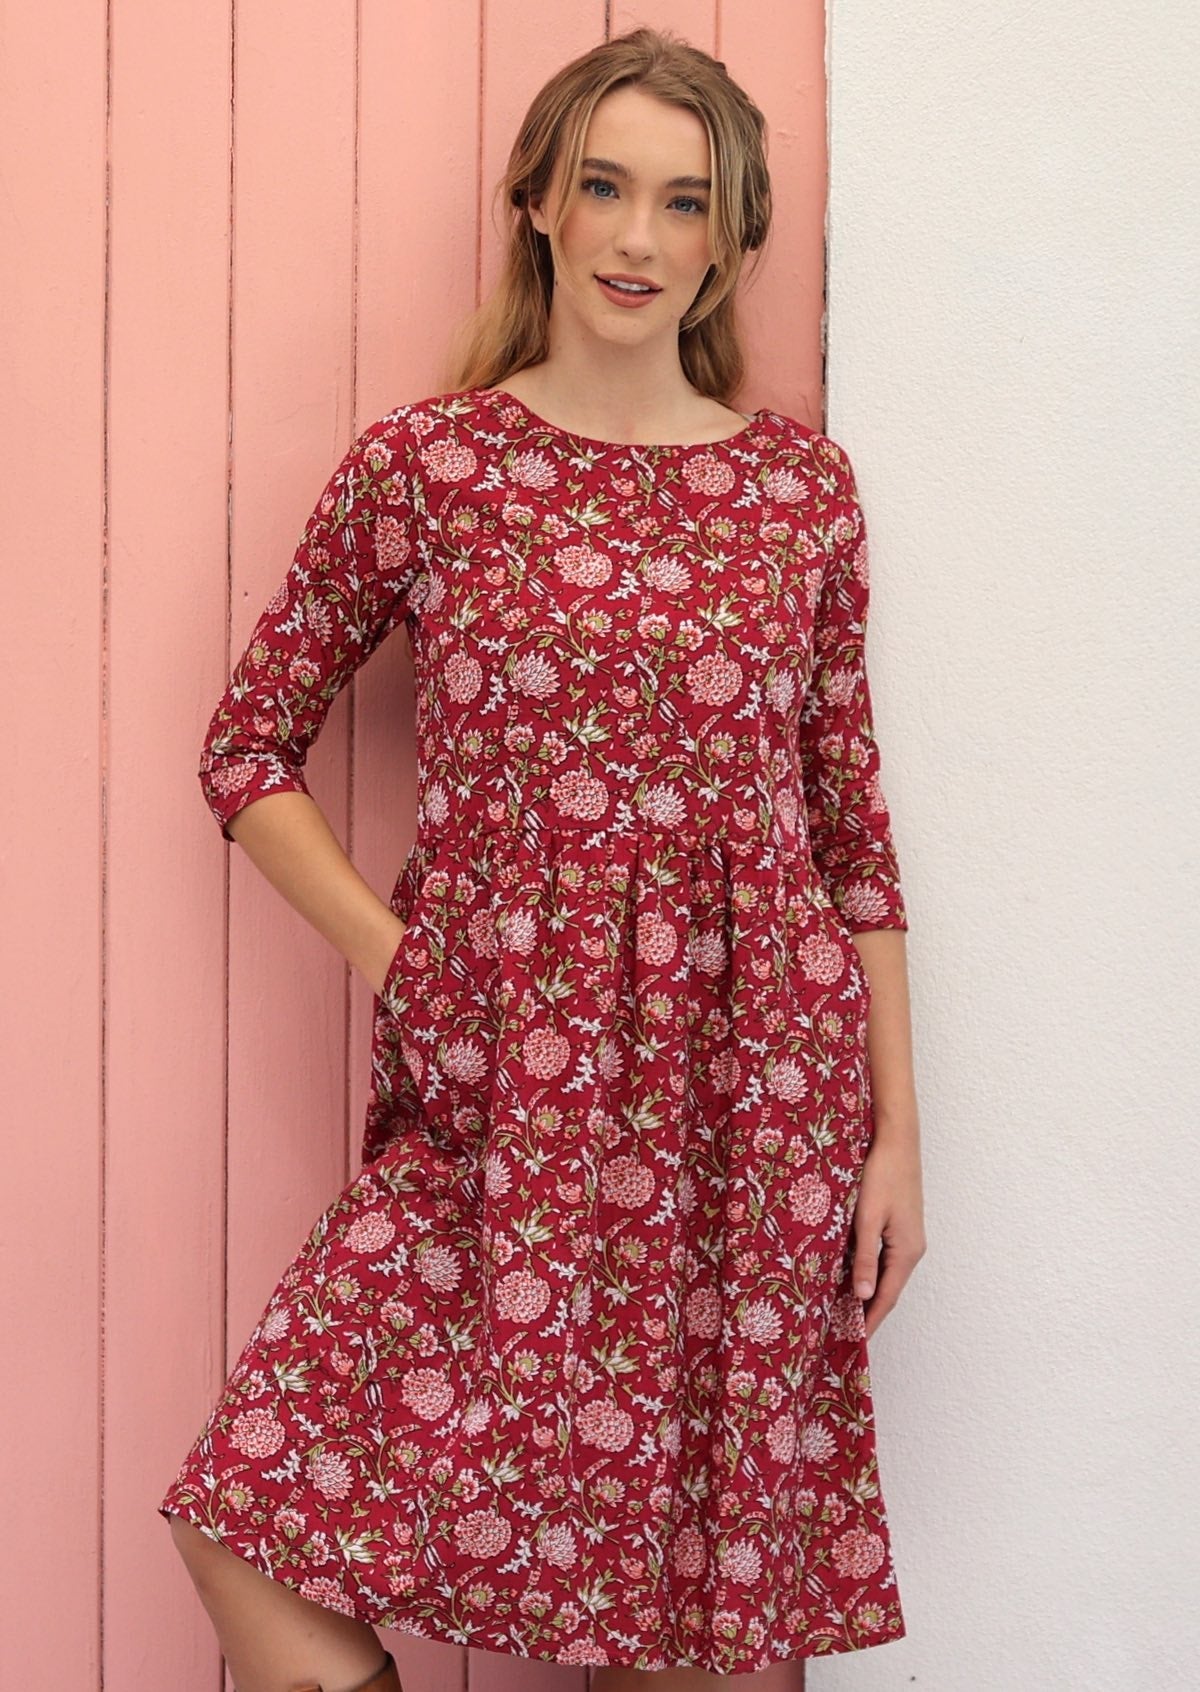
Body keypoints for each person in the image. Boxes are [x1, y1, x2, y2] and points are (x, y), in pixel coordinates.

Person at [159, 25, 926, 1692]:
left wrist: (898, 1145)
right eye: (603, 187)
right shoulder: (431, 470)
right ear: (540, 206)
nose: (637, 237)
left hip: (757, 1108)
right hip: (505, 1096)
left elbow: (851, 837)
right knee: (244, 1511)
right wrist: (411, 957)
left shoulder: (800, 490)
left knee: (690, 1631)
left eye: (682, 202)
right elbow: (244, 751)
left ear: (731, 241)